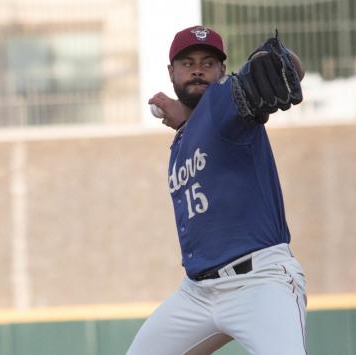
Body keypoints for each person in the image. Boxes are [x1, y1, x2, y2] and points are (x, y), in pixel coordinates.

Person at [126, 25, 307, 355]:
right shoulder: (187, 134)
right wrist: (185, 121)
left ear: (223, 70)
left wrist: (272, 59)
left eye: (208, 63)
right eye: (187, 62)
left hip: (259, 282)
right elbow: (205, 127)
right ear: (171, 72)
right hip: (197, 293)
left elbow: (288, 71)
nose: (197, 68)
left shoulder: (226, 101)